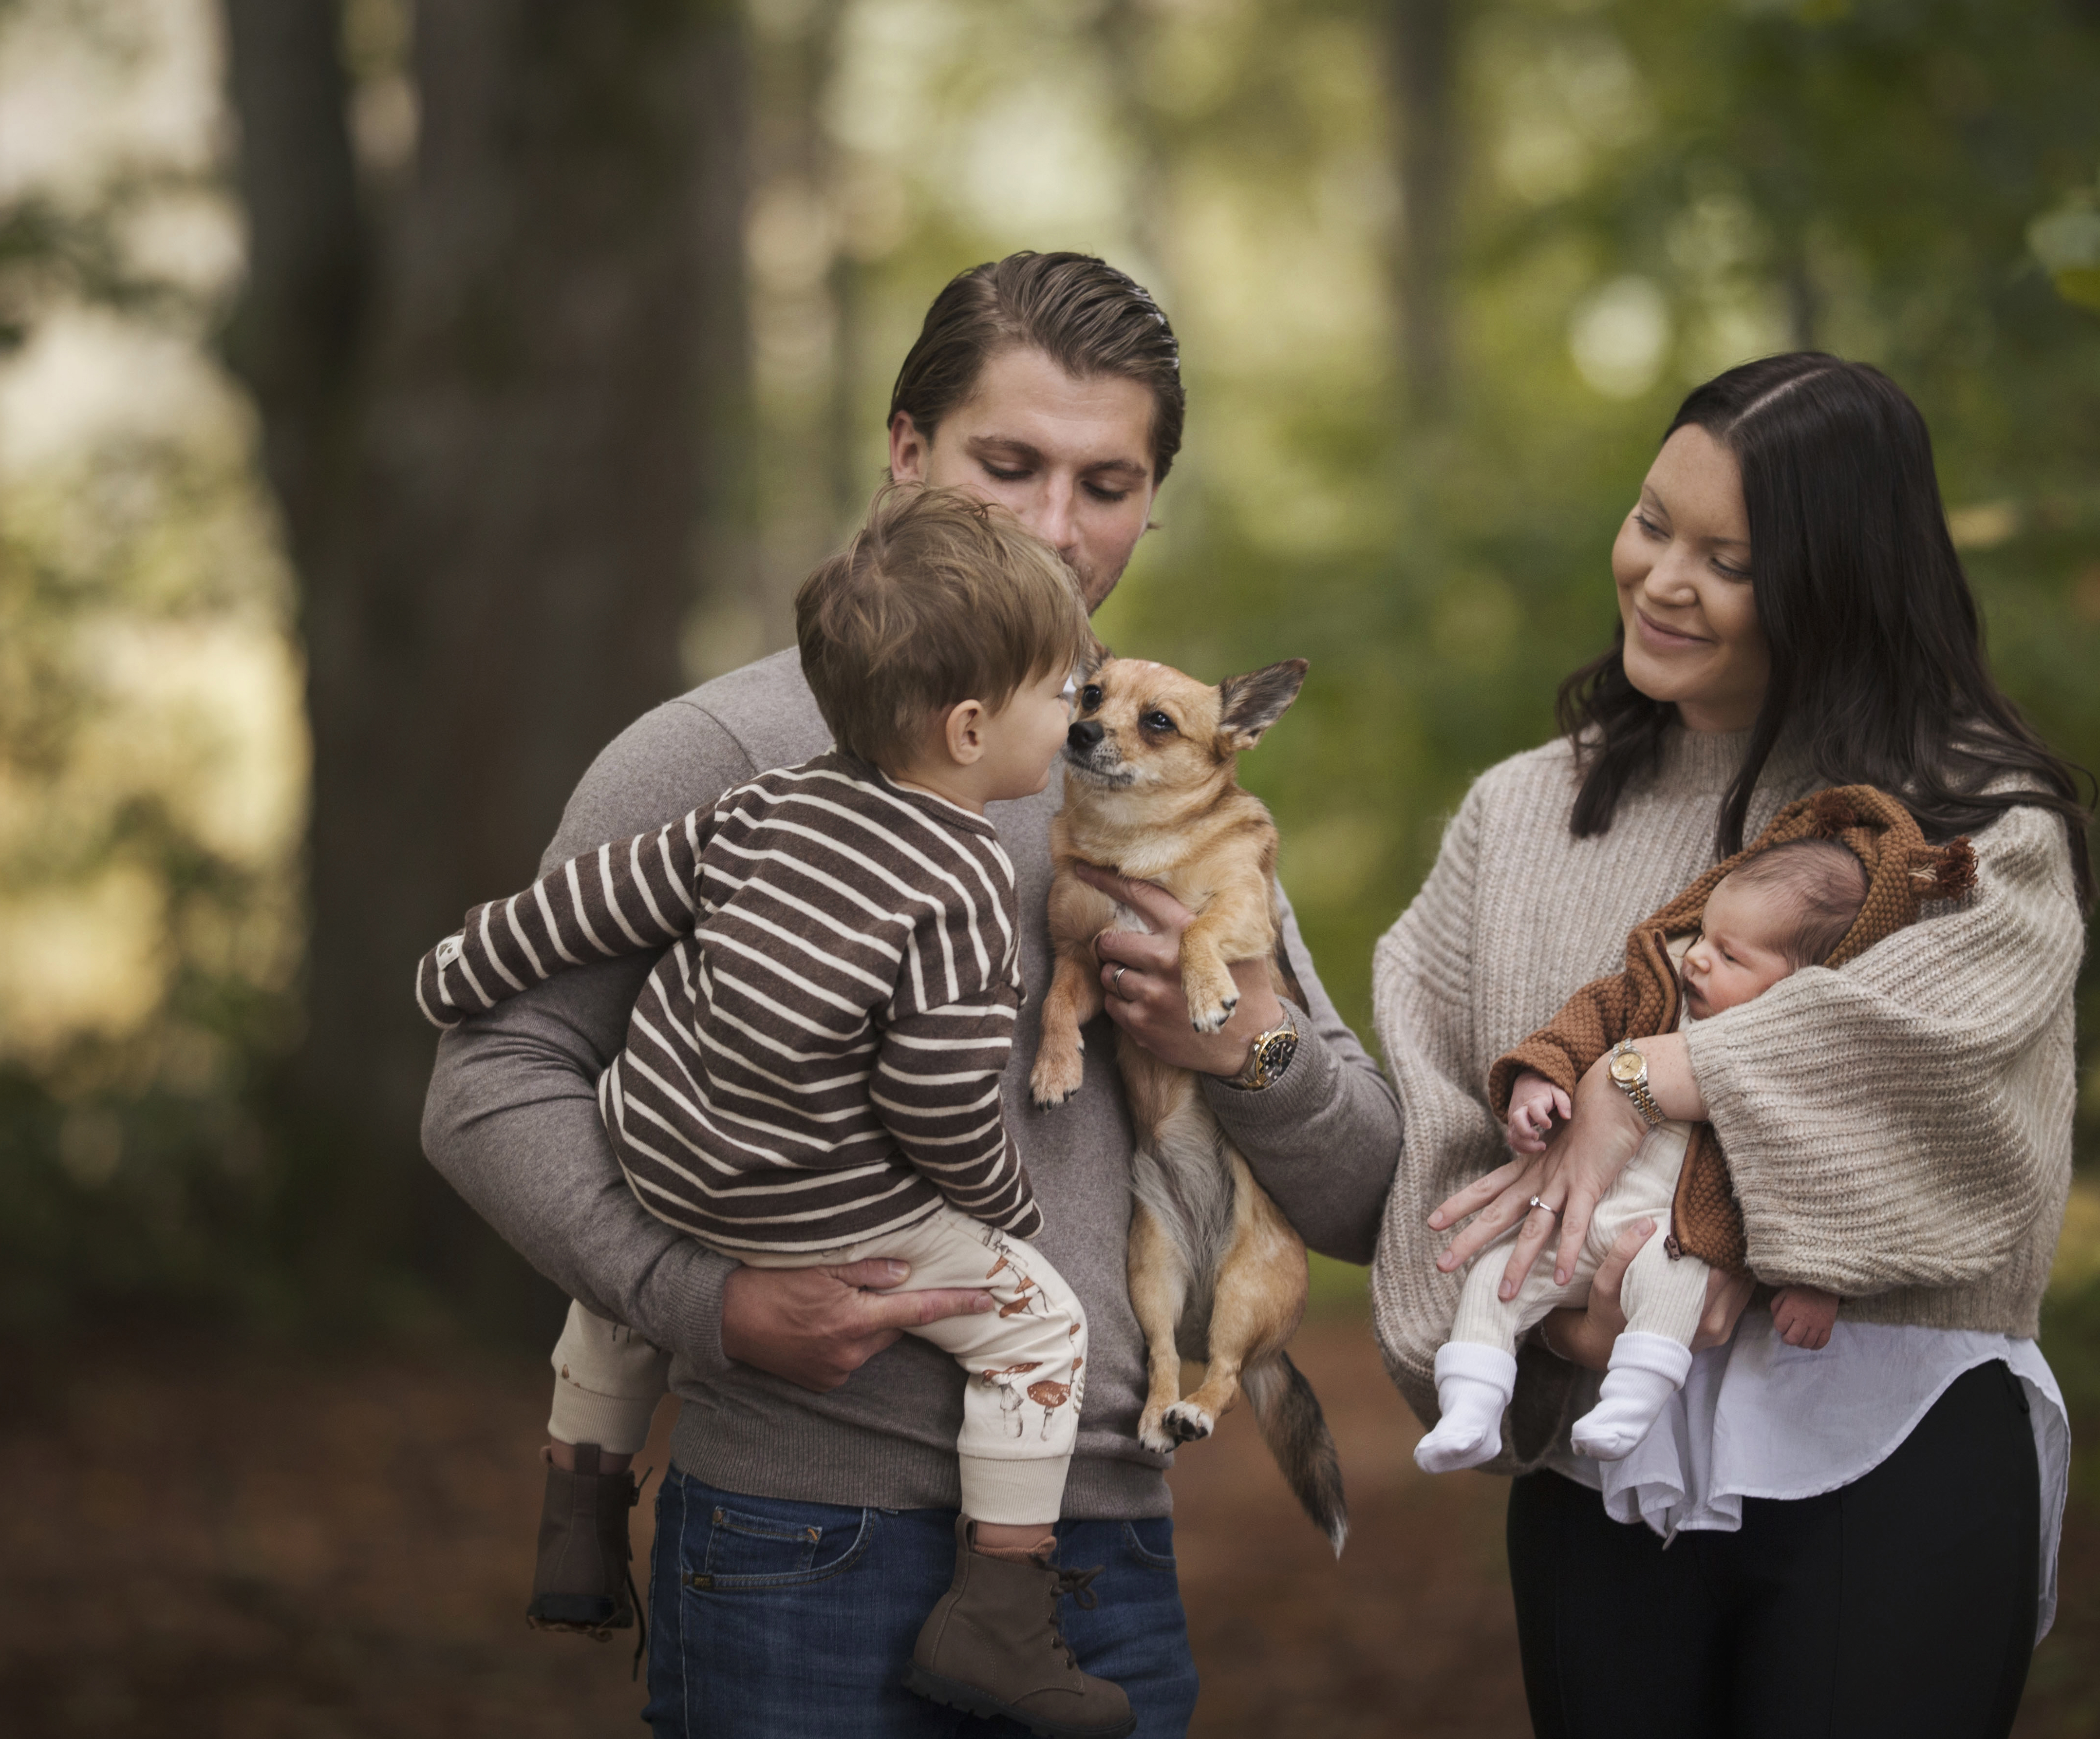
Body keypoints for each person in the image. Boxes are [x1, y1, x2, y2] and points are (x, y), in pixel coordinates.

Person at [420, 252, 1402, 1739]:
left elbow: (1365, 1199)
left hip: (1104, 1551)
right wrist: (707, 1301)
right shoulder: (724, 750)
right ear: (904, 452)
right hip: (799, 1546)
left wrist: (1245, 1038)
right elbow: (486, 1081)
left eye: (1108, 484)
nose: (1057, 532)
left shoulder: (1168, 778)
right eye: (1007, 466)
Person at [1370, 353, 2089, 1738]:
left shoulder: (1966, 836)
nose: (1661, 578)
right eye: (1651, 523)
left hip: (1898, 1445)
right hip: (1597, 1463)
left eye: (1729, 559)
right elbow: (1430, 1123)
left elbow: (1915, 1062)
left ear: (1838, 582)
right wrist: (1253, 1045)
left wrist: (1632, 1083)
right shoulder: (1521, 813)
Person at [416, 485, 1133, 1736]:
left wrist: (457, 969)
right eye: (1063, 697)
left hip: (659, 1146)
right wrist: (1005, 1204)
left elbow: (596, 901)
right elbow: (935, 1100)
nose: (1073, 720)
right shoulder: (961, 878)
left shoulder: (771, 798)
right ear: (971, 729)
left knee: (624, 1279)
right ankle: (999, 1615)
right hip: (815, 1207)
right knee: (1040, 1328)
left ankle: (580, 1512)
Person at [1415, 835, 1867, 1475]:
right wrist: (1537, 1080)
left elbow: (1818, 1174)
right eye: (1704, 935)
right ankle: (1471, 1405)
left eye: (1730, 954)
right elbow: (1579, 1025)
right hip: (1577, 1216)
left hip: (1675, 1238)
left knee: (1678, 1283)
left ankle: (1631, 1399)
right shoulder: (1655, 994)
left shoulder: (1791, 1072)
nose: (1700, 960)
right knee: (1498, 1273)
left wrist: (1820, 1278)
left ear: (1800, 987)